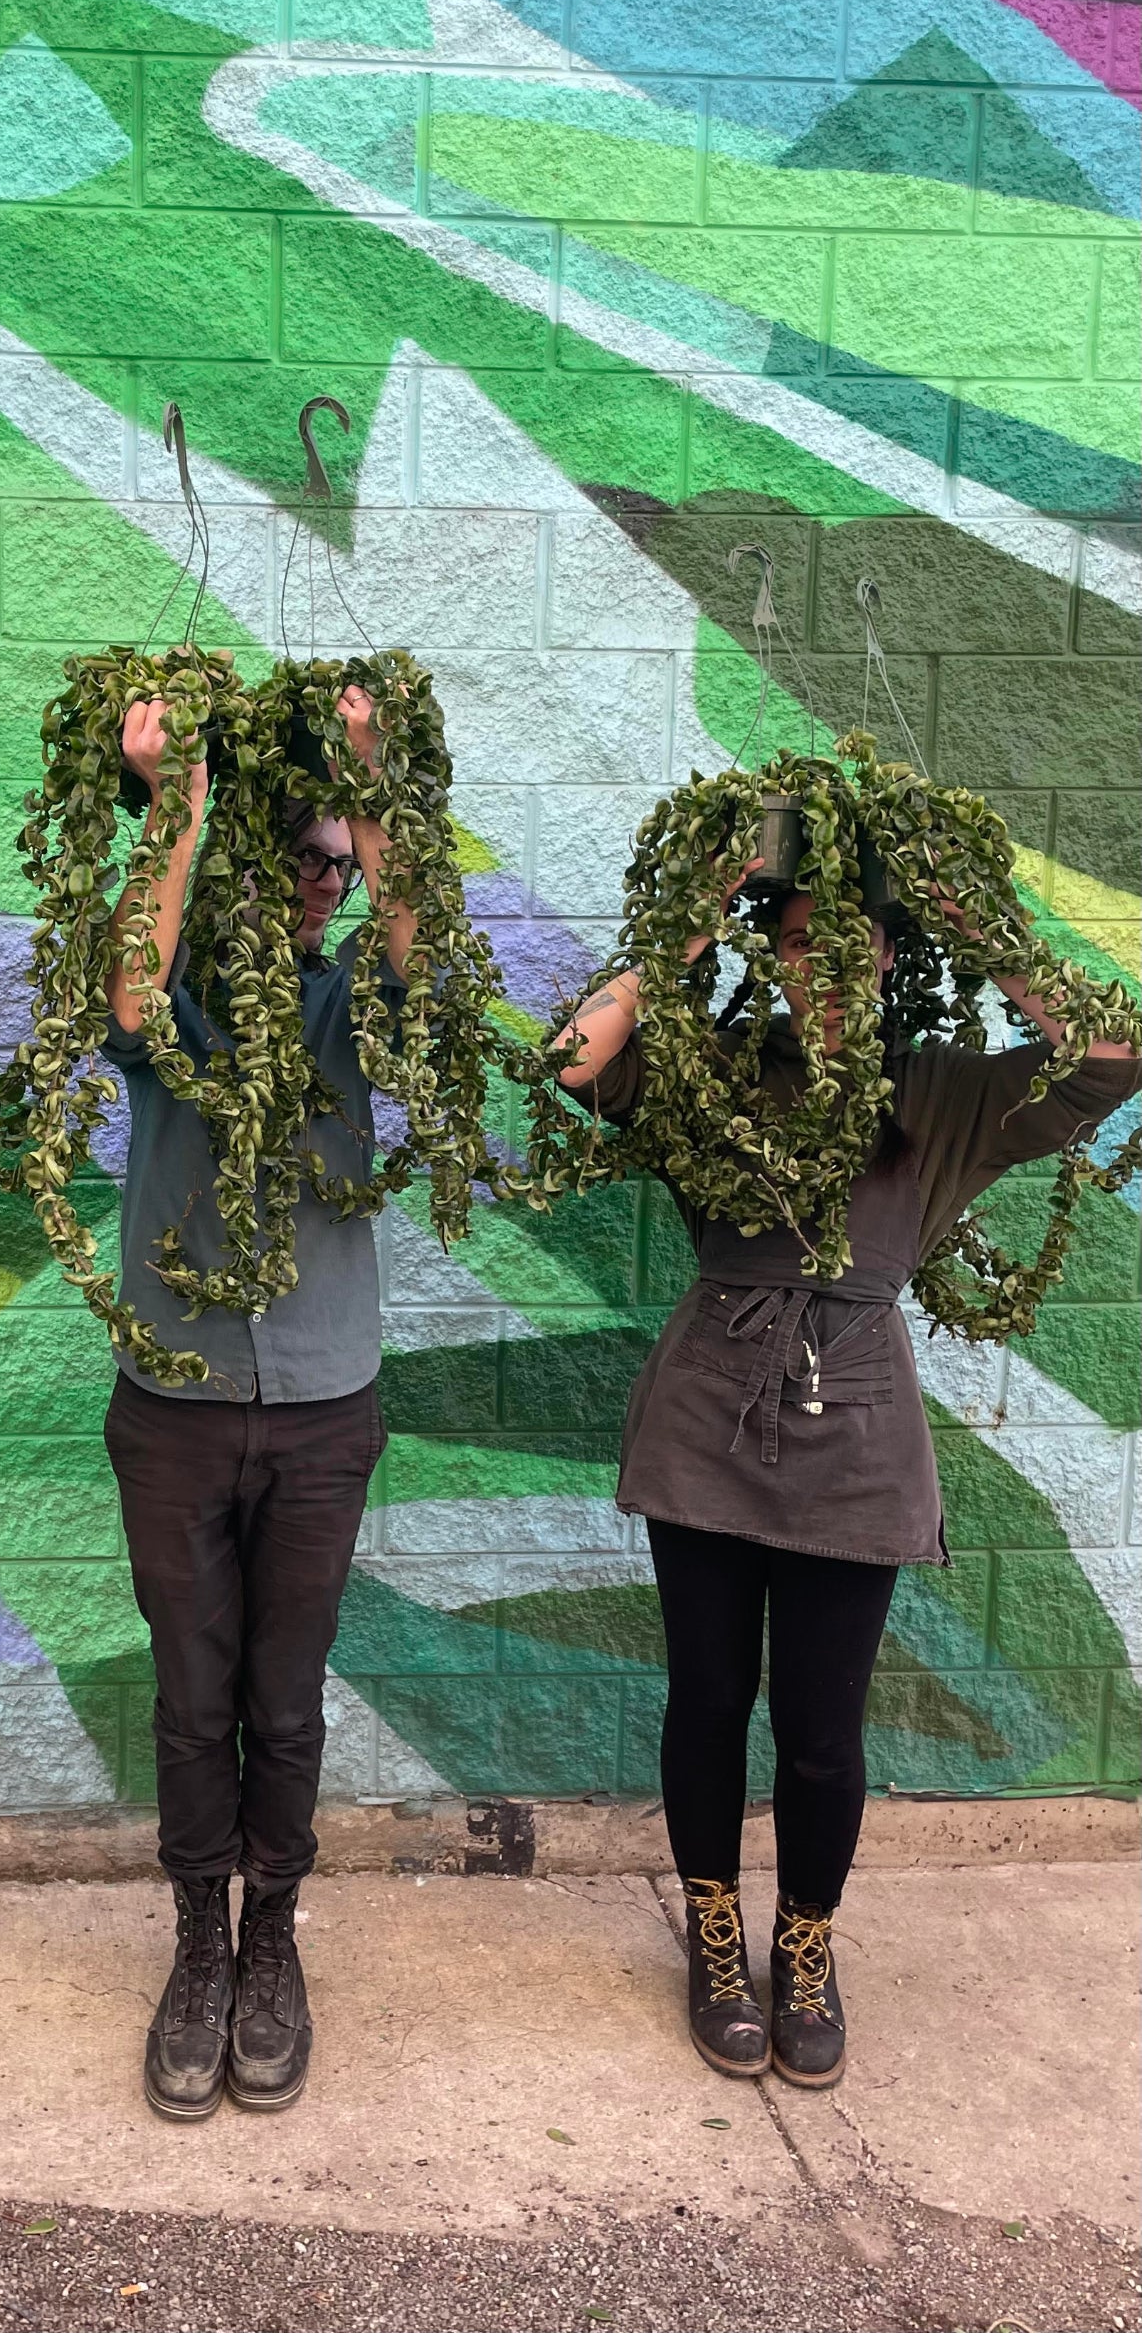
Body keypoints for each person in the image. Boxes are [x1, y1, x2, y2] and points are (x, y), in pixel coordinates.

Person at [552, 869, 1139, 2089]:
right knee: (709, 1696)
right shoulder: (714, 1067)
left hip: (859, 1424)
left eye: (853, 945)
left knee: (822, 1731)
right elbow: (570, 1055)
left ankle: (804, 1940)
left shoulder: (938, 1092)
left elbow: (1113, 1055)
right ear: (772, 952)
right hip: (706, 1405)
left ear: (889, 960)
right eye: (803, 942)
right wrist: (692, 919)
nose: (827, 967)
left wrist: (981, 923)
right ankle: (717, 1935)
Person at [101, 686, 414, 2122]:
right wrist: (174, 805)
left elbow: (421, 962)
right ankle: (194, 1944)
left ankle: (270, 1938)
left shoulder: (357, 996)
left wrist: (373, 781)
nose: (314, 882)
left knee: (284, 1699)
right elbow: (120, 988)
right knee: (188, 1694)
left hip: (322, 1408)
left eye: (333, 864)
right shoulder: (178, 1000)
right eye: (291, 856)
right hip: (169, 1399)